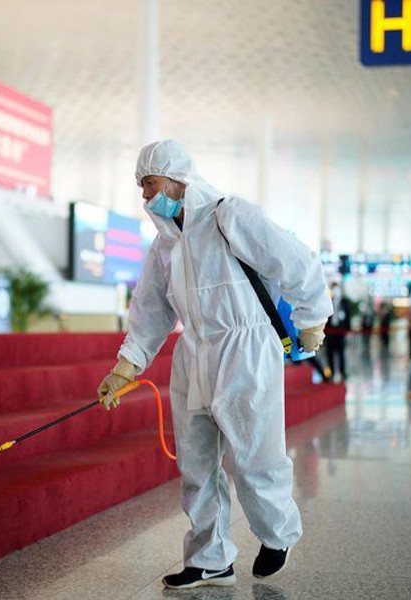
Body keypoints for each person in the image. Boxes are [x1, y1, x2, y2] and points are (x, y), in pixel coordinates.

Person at [96, 140, 332, 590]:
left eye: (149, 184)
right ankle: (210, 559)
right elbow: (150, 313)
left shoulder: (229, 215)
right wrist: (124, 369)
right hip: (194, 355)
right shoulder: (165, 245)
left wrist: (312, 318)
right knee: (197, 461)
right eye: (141, 187)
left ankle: (277, 534)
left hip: (245, 349)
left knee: (255, 453)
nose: (145, 196)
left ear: (176, 178)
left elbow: (294, 261)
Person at [325, 282, 352, 380]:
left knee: (341, 353)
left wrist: (348, 330)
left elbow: (348, 316)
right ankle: (331, 371)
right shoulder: (328, 301)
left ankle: (342, 371)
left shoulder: (344, 302)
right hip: (330, 331)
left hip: (340, 331)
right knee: (330, 353)